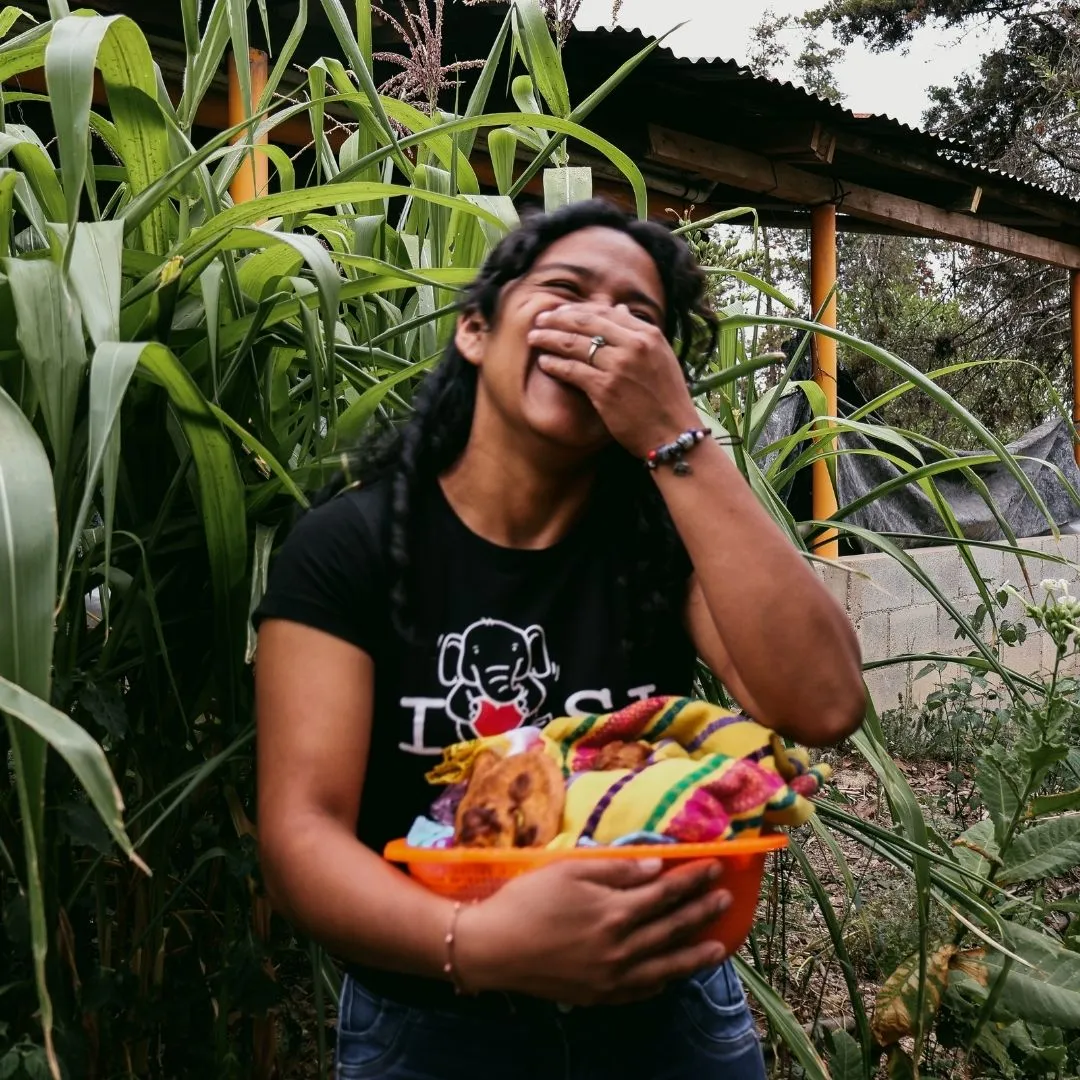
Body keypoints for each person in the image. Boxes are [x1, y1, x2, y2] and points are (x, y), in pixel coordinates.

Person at [254, 199, 864, 1080]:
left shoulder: (660, 537)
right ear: (475, 331)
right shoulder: (350, 547)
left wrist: (674, 437)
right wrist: (480, 941)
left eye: (638, 314)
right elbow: (301, 835)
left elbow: (823, 703)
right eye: (565, 290)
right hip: (431, 1025)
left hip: (667, 1016)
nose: (599, 326)